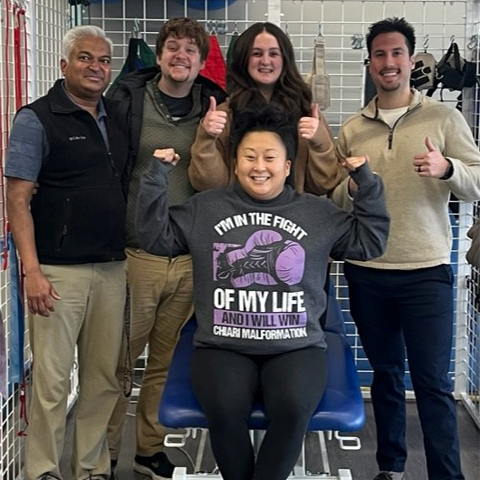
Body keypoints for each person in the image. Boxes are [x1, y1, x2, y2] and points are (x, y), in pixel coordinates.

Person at [136, 104, 390, 480]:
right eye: (249, 157)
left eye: (270, 157)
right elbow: (153, 237)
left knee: (291, 409)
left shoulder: (317, 213)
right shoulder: (205, 208)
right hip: (222, 345)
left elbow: (370, 242)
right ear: (235, 164)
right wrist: (156, 177)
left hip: (296, 346)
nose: (260, 166)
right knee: (223, 408)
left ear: (287, 166)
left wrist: (366, 183)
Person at [332, 17, 480, 480]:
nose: (389, 62)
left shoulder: (444, 118)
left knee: (434, 386)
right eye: (380, 54)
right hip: (368, 270)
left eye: (397, 53)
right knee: (386, 377)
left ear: (411, 60)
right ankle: (390, 468)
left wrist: (447, 168)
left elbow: (476, 182)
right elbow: (334, 193)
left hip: (426, 271)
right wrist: (353, 190)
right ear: (370, 62)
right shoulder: (353, 128)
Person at [105, 17, 226, 479]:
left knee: (164, 362)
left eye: (190, 50)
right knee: (117, 363)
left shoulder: (213, 106)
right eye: (173, 47)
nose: (181, 56)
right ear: (160, 56)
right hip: (138, 254)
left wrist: (214, 134)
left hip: (190, 256)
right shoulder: (129, 100)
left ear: (201, 60)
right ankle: (106, 451)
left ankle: (148, 451)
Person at [5, 26, 129, 480]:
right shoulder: (35, 119)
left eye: (102, 60)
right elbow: (17, 199)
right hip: (57, 275)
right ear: (63, 65)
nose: (95, 67)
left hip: (113, 269)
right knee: (53, 383)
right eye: (84, 58)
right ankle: (41, 470)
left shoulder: (115, 117)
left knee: (102, 380)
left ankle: (91, 468)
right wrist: (31, 272)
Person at [189, 21, 343, 196]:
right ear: (244, 60)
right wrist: (206, 140)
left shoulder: (306, 114)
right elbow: (208, 186)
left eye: (274, 53)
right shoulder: (224, 115)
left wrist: (320, 146)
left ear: (285, 59)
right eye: (256, 53)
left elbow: (324, 184)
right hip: (236, 218)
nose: (265, 61)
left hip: (291, 219)